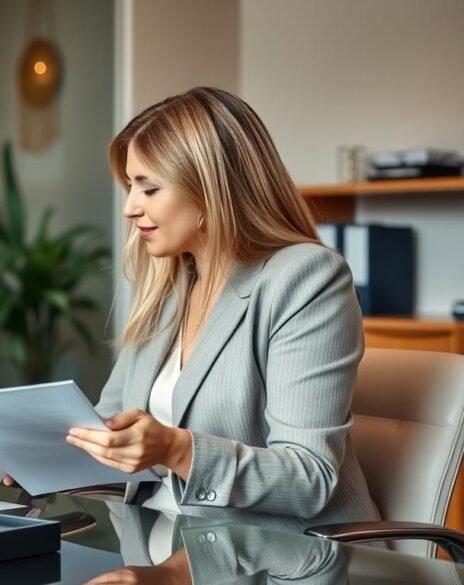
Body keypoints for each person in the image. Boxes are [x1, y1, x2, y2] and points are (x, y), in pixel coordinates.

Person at [65, 87, 380, 529]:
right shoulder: (167, 288)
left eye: (149, 188)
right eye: (131, 187)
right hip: (165, 540)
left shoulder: (306, 278)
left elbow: (309, 476)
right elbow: (112, 426)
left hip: (284, 553)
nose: (130, 208)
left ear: (211, 188)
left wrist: (175, 449)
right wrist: (36, 452)